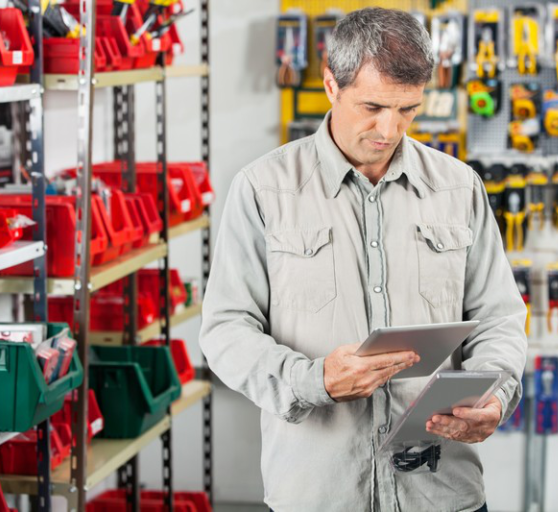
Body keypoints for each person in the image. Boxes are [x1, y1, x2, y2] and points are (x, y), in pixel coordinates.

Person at [200, 7, 527, 512]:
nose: (390, 129)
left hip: (441, 493)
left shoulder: (459, 187)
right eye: (372, 106)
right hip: (319, 493)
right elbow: (224, 331)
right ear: (331, 85)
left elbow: (499, 319)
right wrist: (314, 380)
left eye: (408, 110)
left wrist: (496, 395)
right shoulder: (264, 189)